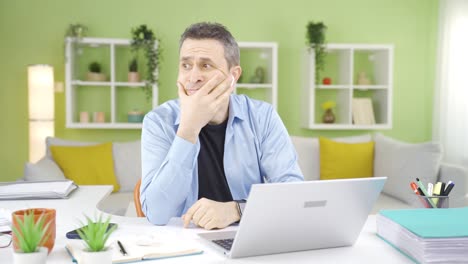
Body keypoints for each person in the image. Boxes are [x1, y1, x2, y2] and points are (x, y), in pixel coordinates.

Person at [141, 22, 303, 230]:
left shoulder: (263, 117)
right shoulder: (158, 122)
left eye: (206, 65)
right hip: (183, 243)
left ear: (233, 76)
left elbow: (293, 193)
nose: (193, 77)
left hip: (248, 236)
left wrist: (237, 210)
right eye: (186, 65)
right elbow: (157, 213)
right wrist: (188, 129)